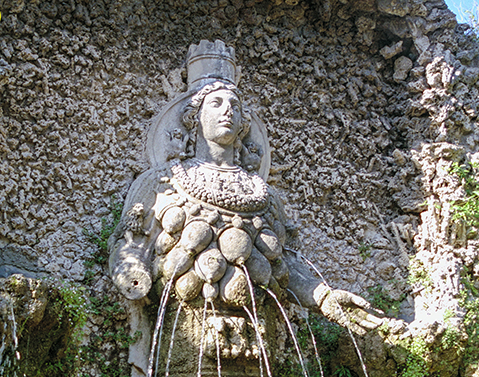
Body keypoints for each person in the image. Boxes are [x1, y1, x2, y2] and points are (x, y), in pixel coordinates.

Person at [108, 64, 383, 333]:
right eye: (216, 103)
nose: (227, 110)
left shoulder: (264, 194)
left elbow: (286, 265)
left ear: (243, 124)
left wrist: (323, 297)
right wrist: (133, 275)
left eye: (235, 106)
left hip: (258, 333)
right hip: (183, 331)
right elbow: (131, 245)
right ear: (195, 118)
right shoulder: (162, 181)